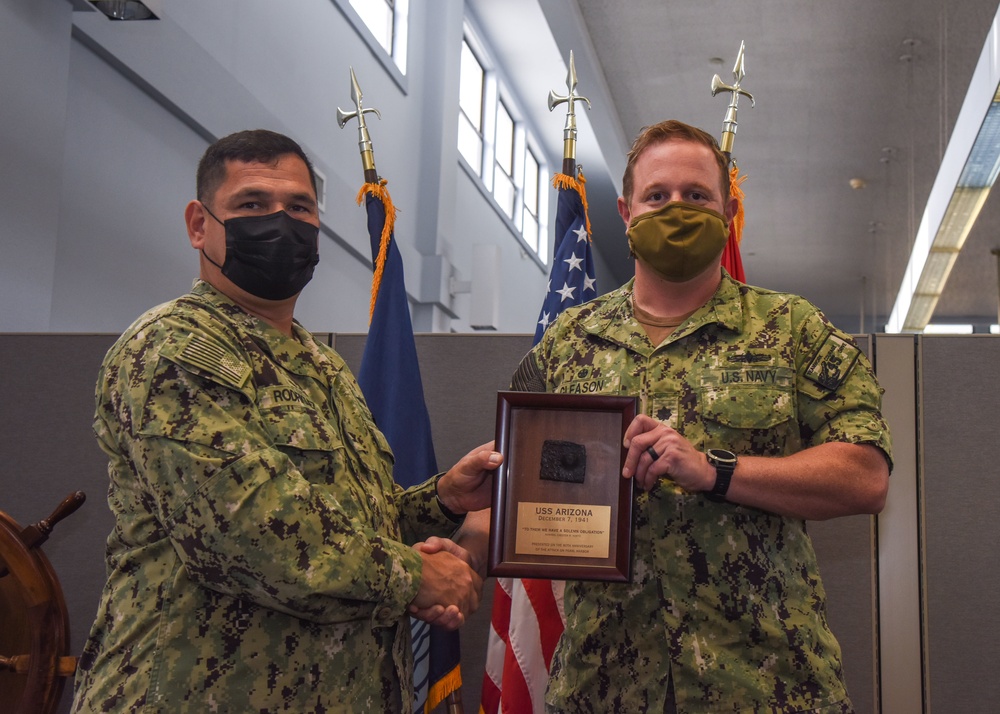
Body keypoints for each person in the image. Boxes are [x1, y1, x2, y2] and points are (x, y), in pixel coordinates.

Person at [71, 129, 500, 714]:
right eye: (251, 205)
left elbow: (348, 521)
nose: (280, 222)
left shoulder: (319, 366)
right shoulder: (176, 348)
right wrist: (417, 578)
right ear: (200, 225)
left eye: (298, 207)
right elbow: (248, 535)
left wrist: (442, 500)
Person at [510, 120, 892, 713]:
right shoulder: (568, 343)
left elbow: (865, 476)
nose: (677, 210)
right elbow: (516, 488)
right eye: (657, 196)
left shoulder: (793, 330)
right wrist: (452, 538)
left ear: (728, 209)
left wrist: (718, 471)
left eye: (697, 196)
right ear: (626, 210)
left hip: (764, 684)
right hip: (603, 684)